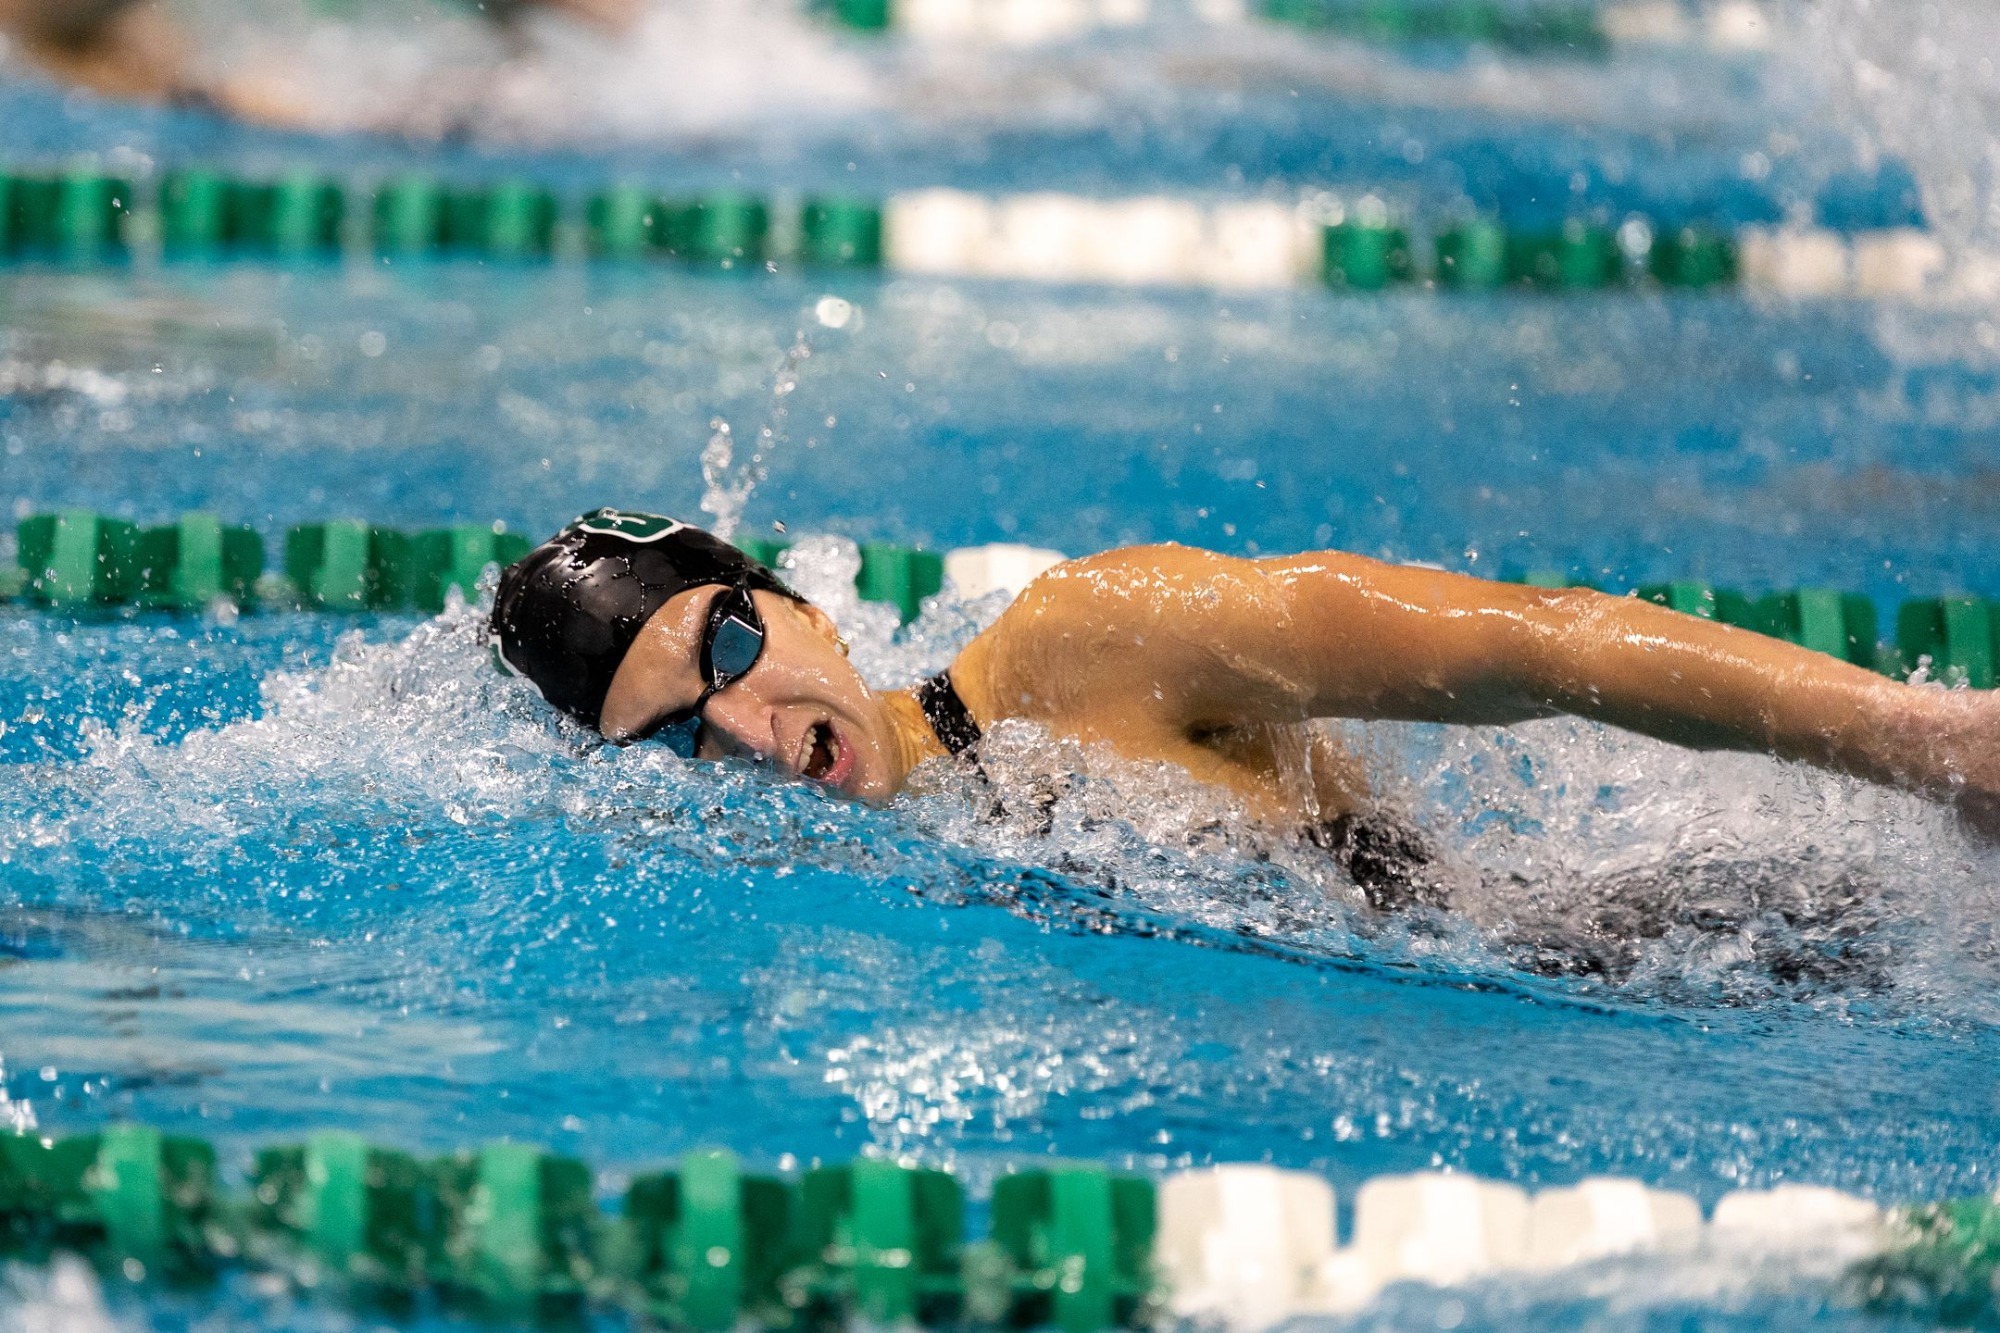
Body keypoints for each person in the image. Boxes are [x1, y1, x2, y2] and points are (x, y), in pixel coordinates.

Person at [491, 509, 2000, 870]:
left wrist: (1925, 738)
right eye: (683, 737)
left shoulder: (1089, 640)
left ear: (802, 600)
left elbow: (1539, 643)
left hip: (1656, 959)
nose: (749, 734)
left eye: (731, 653)